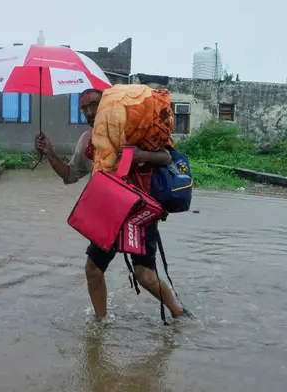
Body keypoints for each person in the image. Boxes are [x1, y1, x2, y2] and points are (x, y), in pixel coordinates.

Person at [34, 88, 185, 319]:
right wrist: (50, 153)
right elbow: (69, 175)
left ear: (105, 103)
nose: (89, 111)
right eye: (84, 108)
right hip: (109, 213)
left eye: (93, 104)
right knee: (93, 270)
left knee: (145, 276)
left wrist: (139, 155)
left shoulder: (130, 130)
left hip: (138, 213)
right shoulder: (87, 141)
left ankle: (179, 314)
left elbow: (166, 157)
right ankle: (100, 323)